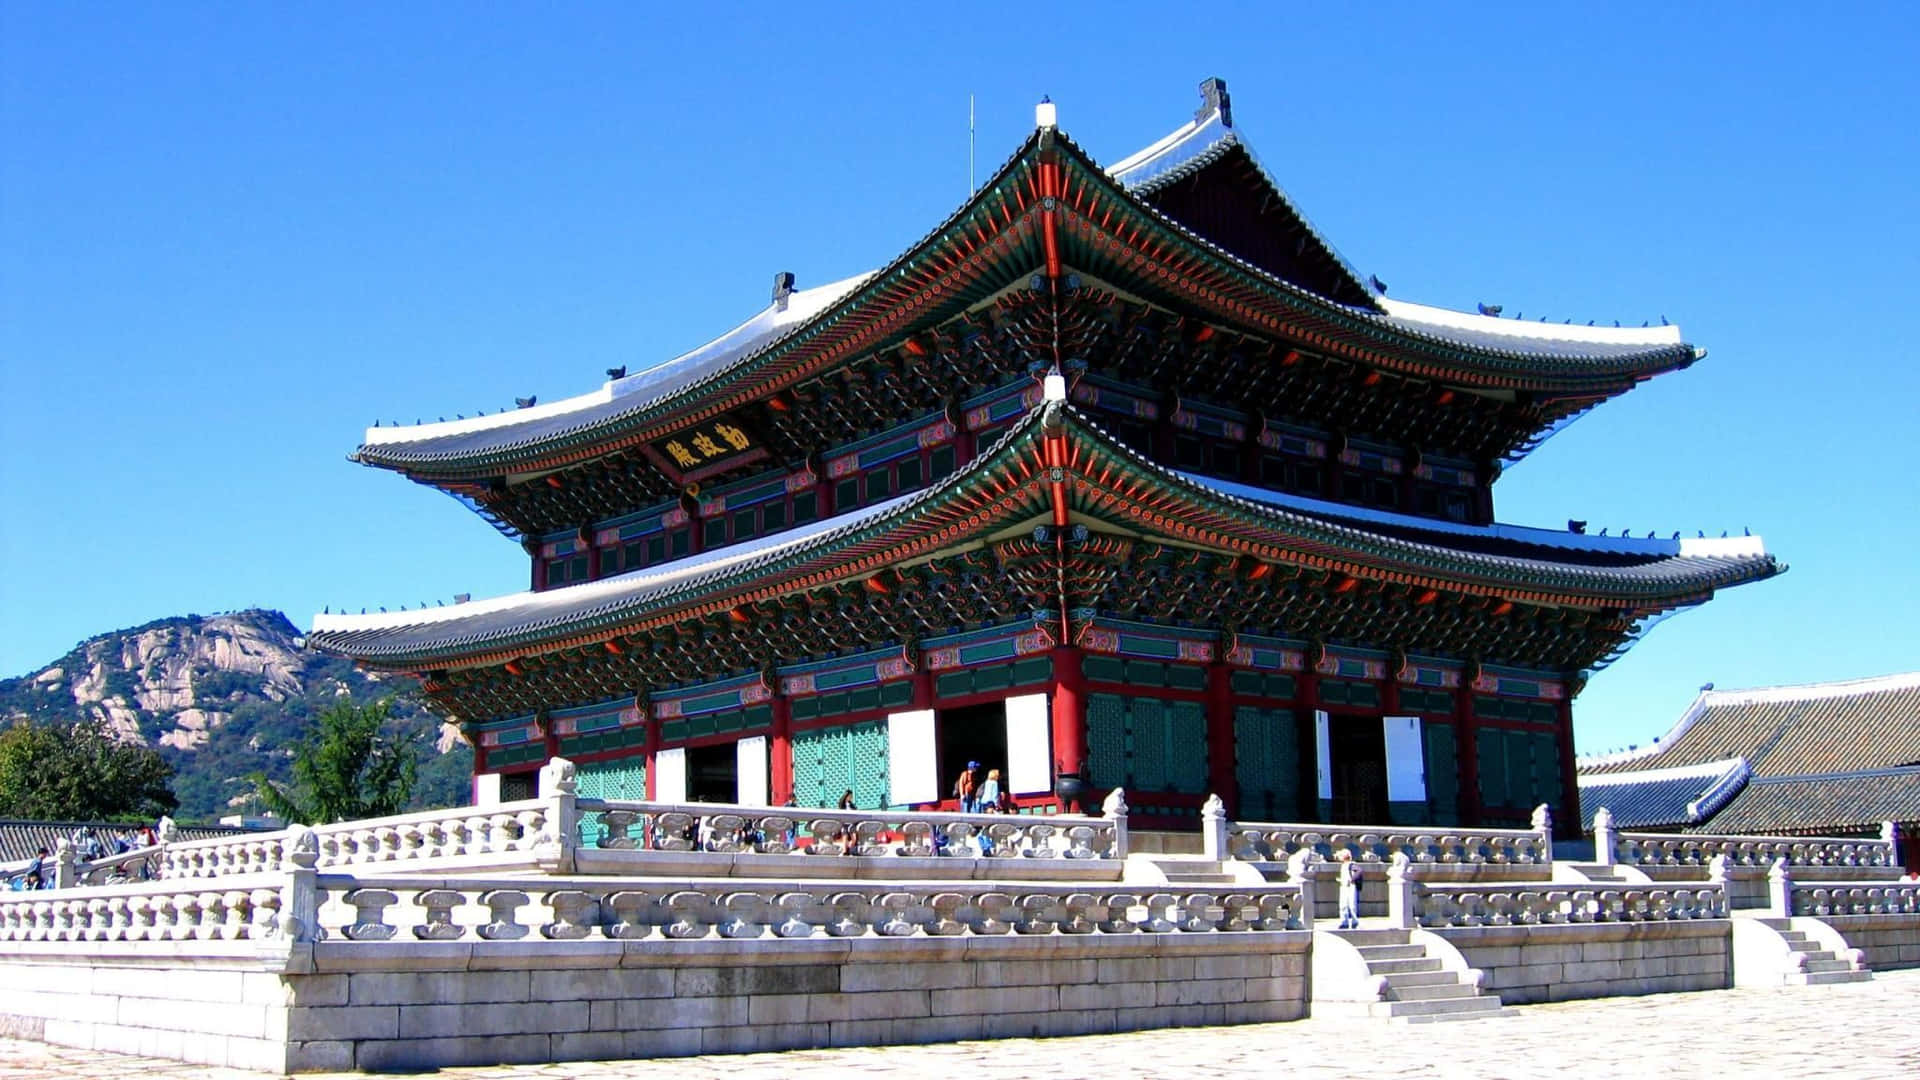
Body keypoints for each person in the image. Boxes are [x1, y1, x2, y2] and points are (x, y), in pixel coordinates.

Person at [1336, 849, 1362, 929]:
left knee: (1352, 905)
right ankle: (1344, 922)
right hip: (1344, 886)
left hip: (1350, 886)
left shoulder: (1351, 864)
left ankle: (1354, 922)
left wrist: (1351, 879)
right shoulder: (1344, 865)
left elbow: (1359, 871)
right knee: (1343, 905)